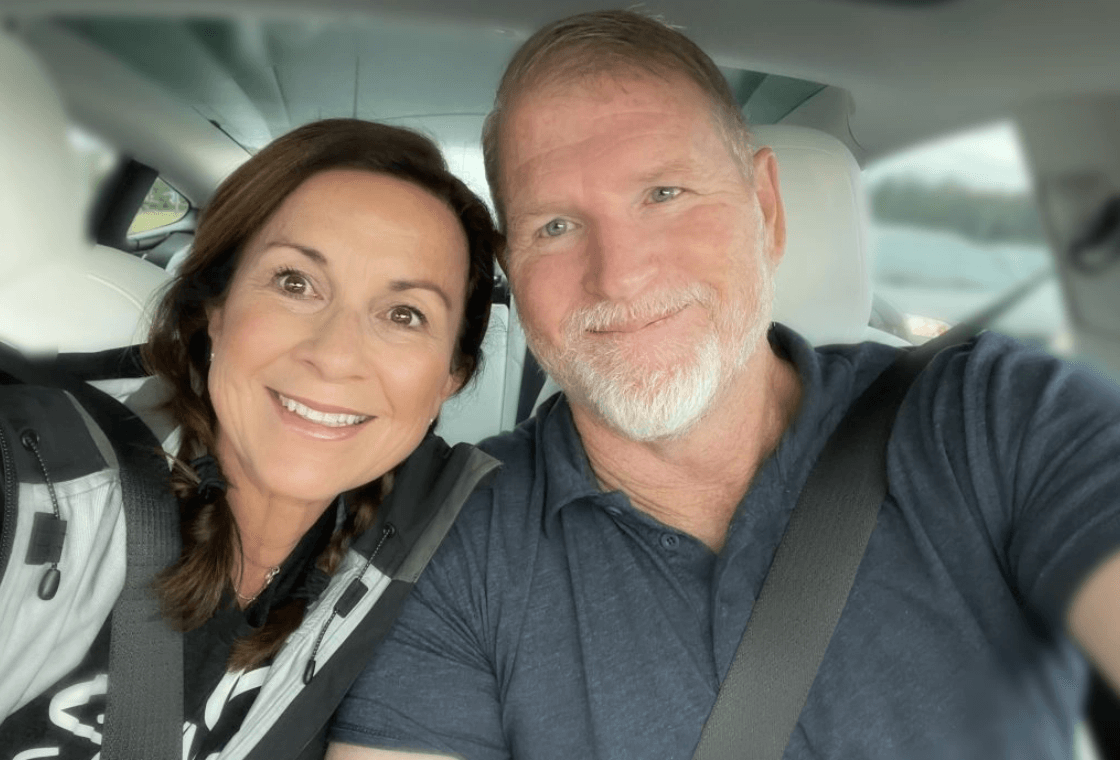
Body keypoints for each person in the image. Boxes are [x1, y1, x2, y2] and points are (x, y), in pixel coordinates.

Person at [326, 10, 1120, 760]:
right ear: (513, 270)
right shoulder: (456, 538)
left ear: (766, 209)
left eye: (664, 194)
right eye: (556, 226)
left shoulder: (993, 415)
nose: (619, 273)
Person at [0, 118, 500, 759]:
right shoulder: (41, 476)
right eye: (296, 283)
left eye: (404, 315)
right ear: (215, 306)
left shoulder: (437, 565)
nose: (336, 355)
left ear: (450, 377)